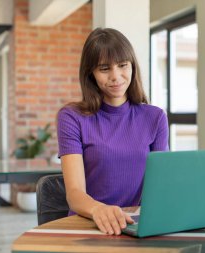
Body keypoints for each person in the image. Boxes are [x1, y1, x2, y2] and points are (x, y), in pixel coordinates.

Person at [57, 28, 169, 235]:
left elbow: (161, 186)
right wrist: (98, 209)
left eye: (123, 65)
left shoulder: (155, 118)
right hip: (88, 224)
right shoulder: (72, 117)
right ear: (90, 73)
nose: (116, 76)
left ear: (132, 66)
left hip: (134, 225)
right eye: (104, 68)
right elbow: (74, 193)